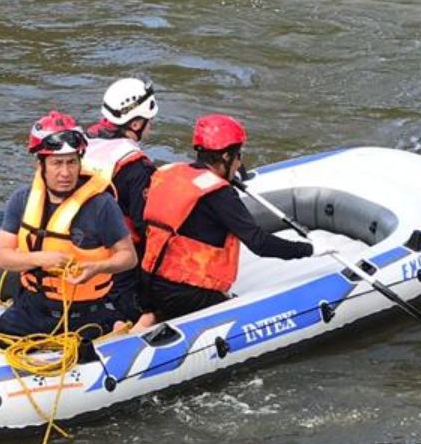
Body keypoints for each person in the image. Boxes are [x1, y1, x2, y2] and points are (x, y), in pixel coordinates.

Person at [132, 114, 313, 330]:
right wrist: (308, 249)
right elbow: (260, 243)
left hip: (148, 282)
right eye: (238, 156)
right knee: (239, 314)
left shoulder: (171, 173)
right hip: (185, 293)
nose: (239, 163)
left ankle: (149, 317)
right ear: (226, 156)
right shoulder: (219, 194)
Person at [0, 111, 137, 339]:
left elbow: (128, 257)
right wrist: (40, 259)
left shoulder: (102, 205)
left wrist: (97, 268)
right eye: (56, 163)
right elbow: (1, 258)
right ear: (40, 164)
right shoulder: (22, 199)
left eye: (72, 162)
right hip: (31, 307)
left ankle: (116, 323)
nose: (65, 173)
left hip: (86, 312)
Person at [82, 76, 160, 320]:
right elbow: (146, 227)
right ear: (136, 123)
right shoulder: (137, 168)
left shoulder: (82, 143)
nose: (151, 125)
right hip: (116, 263)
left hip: (74, 245)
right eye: (149, 120)